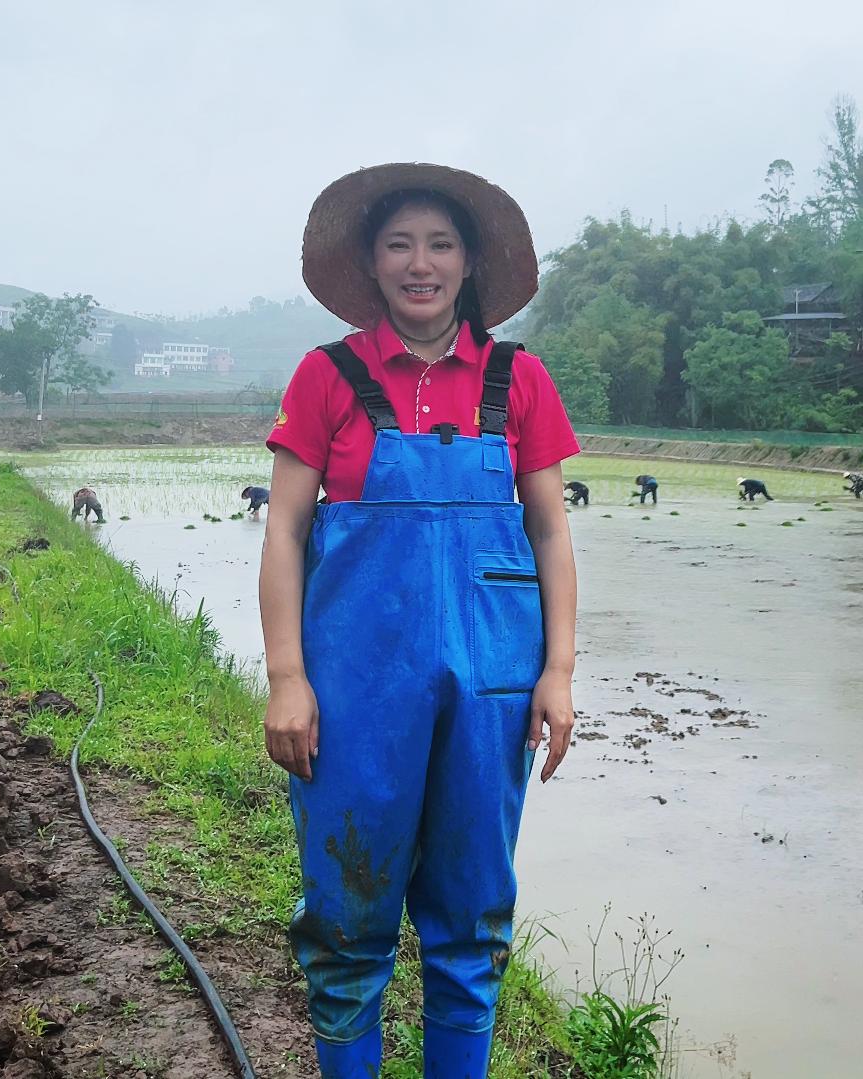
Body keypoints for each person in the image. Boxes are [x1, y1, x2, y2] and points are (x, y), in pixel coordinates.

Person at [259, 164, 579, 1079]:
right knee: (347, 922)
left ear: (470, 262)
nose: (419, 263)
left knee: (471, 927)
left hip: (490, 688)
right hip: (353, 690)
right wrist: (288, 676)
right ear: (371, 261)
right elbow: (283, 531)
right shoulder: (327, 378)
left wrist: (556, 671)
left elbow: (550, 532)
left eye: (440, 243)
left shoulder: (517, 380)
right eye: (399, 243)